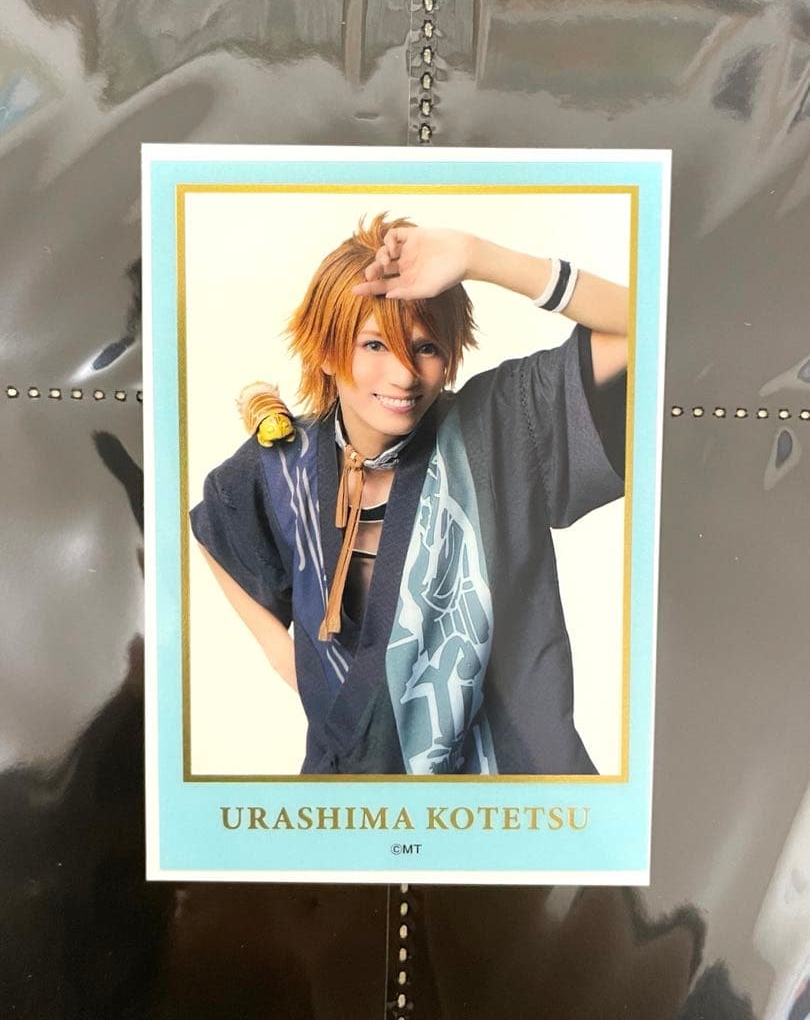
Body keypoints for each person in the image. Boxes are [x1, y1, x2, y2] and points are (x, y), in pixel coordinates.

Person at [190, 213, 627, 775]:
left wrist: (478, 256)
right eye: (374, 344)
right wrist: (287, 657)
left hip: (509, 792)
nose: (402, 374)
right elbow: (217, 521)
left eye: (425, 347)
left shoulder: (500, 423)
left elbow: (646, 323)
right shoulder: (283, 463)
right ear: (324, 350)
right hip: (356, 798)